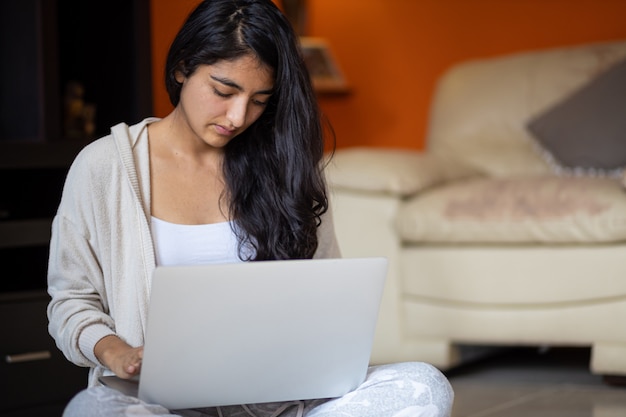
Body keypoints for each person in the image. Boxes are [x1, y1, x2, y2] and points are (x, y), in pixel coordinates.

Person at [47, 0, 454, 416]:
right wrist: (117, 353)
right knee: (91, 410)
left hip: (277, 403)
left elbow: (327, 295)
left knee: (424, 385)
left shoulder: (286, 167)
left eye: (260, 100)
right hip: (157, 403)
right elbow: (71, 300)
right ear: (182, 68)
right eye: (224, 91)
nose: (238, 116)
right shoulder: (105, 166)